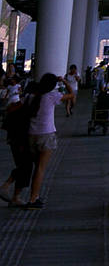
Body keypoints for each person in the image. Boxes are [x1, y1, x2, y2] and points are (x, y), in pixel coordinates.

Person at [25, 73, 62, 208]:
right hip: (46, 135)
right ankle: (33, 198)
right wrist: (63, 81)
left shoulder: (31, 97)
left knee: (36, 167)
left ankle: (34, 196)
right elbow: (72, 95)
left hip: (31, 135)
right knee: (40, 169)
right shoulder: (52, 96)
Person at [0, 78, 33, 207]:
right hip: (20, 141)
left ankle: (12, 192)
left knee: (24, 166)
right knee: (25, 166)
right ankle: (10, 190)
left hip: (15, 140)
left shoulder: (16, 106)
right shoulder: (21, 107)